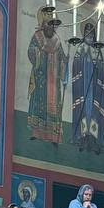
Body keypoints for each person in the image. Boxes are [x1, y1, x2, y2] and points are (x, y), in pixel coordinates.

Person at [27, 10, 68, 145]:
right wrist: (38, 52)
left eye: (52, 25)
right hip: (41, 79)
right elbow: (31, 51)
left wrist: (65, 61)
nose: (50, 27)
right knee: (39, 104)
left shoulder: (57, 40)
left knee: (54, 107)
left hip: (53, 82)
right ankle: (36, 132)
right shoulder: (37, 36)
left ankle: (53, 136)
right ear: (43, 24)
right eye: (48, 24)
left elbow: (62, 58)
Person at [71, 22, 104, 154]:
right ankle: (83, 138)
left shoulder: (97, 51)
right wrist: (82, 62)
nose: (89, 35)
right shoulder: (80, 48)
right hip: (83, 86)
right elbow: (75, 65)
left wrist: (97, 67)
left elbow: (102, 71)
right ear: (84, 33)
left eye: (91, 33)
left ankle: (92, 139)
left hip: (94, 89)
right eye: (87, 32)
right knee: (83, 111)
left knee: (93, 112)